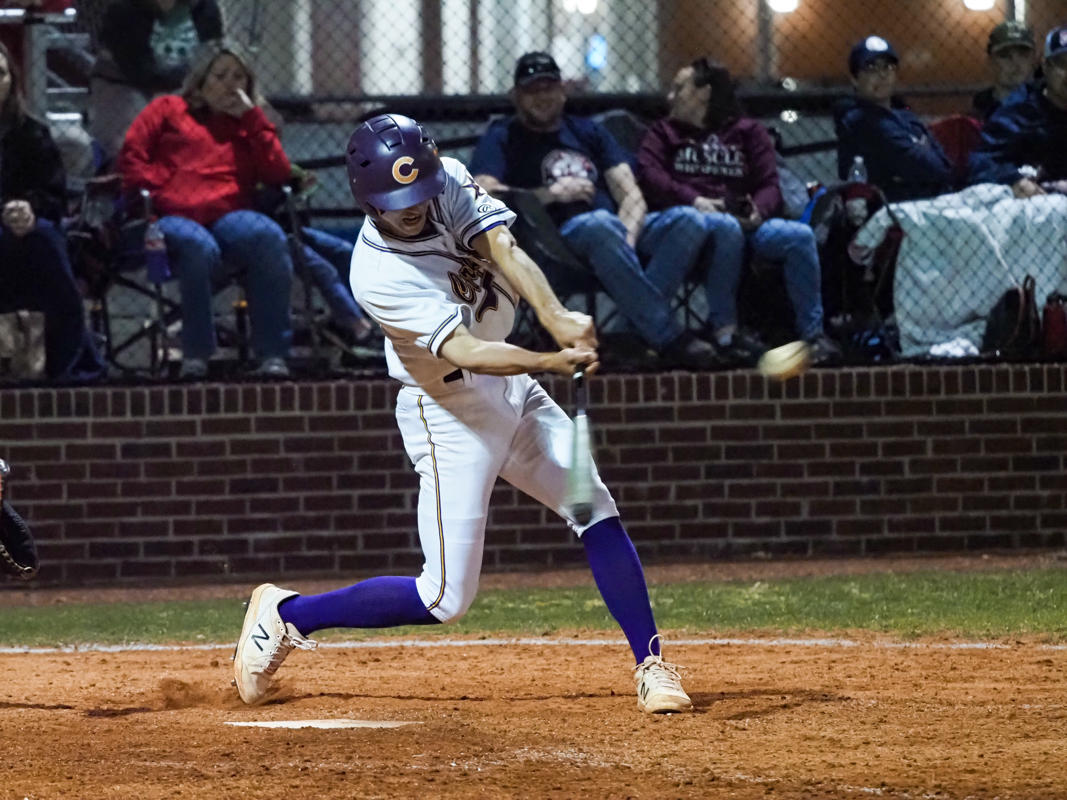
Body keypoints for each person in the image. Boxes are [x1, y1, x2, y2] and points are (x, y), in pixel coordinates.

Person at [231, 114, 692, 716]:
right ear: (367, 198)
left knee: (593, 507)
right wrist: (551, 359)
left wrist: (554, 315)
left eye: (419, 193)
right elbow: (468, 352)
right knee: (444, 597)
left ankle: (651, 664)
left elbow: (503, 248)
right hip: (449, 411)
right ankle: (288, 614)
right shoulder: (376, 273)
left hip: (513, 387)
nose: (414, 208)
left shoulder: (445, 179)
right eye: (397, 202)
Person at [118, 41, 371, 377]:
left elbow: (278, 173)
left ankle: (272, 354)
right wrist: (158, 189)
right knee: (196, 246)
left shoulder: (251, 123)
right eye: (220, 76)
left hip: (229, 213)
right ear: (200, 82)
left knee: (267, 236)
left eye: (239, 77)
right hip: (172, 213)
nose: (230, 85)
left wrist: (253, 119)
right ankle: (196, 354)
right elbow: (132, 155)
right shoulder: (167, 108)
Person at [469, 52, 717, 369]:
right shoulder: (503, 135)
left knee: (689, 221)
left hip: (613, 235)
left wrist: (625, 241)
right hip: (551, 244)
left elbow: (631, 194)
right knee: (598, 223)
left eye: (549, 87)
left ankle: (628, 333)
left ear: (563, 91)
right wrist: (550, 194)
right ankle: (670, 337)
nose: (543, 97)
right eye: (532, 90)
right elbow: (483, 190)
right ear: (515, 96)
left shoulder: (588, 131)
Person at [638, 58, 839, 364]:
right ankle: (726, 332)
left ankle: (813, 336)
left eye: (678, 88)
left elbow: (770, 183)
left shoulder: (747, 131)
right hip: (692, 225)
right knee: (725, 227)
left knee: (799, 235)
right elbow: (649, 174)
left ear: (704, 93)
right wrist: (694, 200)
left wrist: (758, 211)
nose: (670, 96)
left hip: (746, 222)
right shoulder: (664, 132)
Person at [0, 42, 105, 381]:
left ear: (12, 81)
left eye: (0, 74)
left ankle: (67, 358)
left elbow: (55, 195)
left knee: (44, 236)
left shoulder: (32, 133)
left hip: (27, 227)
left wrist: (28, 208)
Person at [91, 0, 223, 163]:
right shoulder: (124, 10)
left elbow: (212, 58)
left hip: (183, 85)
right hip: (123, 85)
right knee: (135, 146)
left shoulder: (204, 8)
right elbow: (138, 70)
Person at [834, 36, 954, 203]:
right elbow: (931, 169)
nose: (882, 75)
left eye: (888, 67)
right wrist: (920, 148)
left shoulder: (904, 115)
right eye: (871, 68)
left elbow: (944, 165)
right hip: (891, 209)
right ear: (854, 79)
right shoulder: (860, 120)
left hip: (926, 203)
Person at [969, 26, 1067, 198]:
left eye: (1023, 55)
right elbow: (981, 163)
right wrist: (1015, 180)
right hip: (1037, 205)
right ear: (1045, 66)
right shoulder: (1020, 113)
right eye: (1062, 63)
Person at [972, 21, 1039, 122]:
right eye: (1005, 56)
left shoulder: (1045, 101)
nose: (1016, 63)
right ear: (990, 61)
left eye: (1023, 55)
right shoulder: (981, 107)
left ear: (1033, 59)